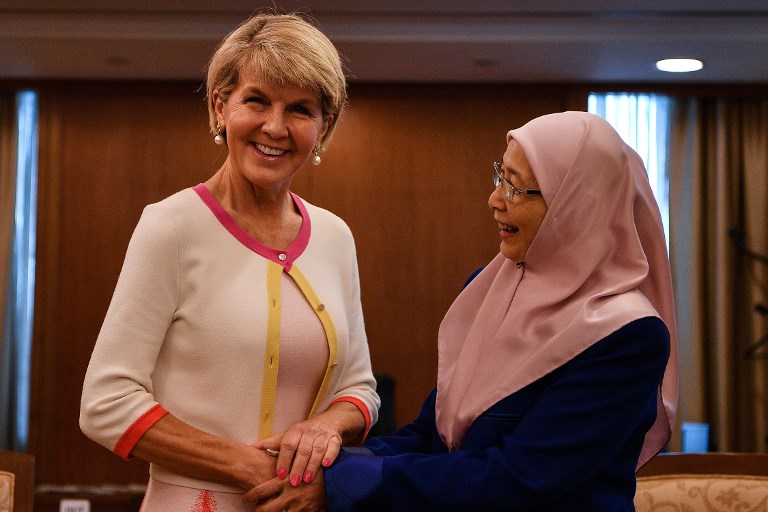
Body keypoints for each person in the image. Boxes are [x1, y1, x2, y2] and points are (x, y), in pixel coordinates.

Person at [246, 111, 678, 511]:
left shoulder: (628, 334)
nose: (494, 199)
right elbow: (434, 438)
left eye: (515, 186)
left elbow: (520, 478)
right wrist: (316, 460)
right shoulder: (489, 289)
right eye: (499, 177)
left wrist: (341, 484)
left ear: (577, 207)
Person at [79, 12, 380, 511]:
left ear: (323, 128)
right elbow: (105, 404)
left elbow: (361, 389)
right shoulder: (171, 226)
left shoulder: (335, 236)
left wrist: (324, 428)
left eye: (301, 110)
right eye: (256, 100)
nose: (275, 127)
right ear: (221, 106)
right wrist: (248, 465)